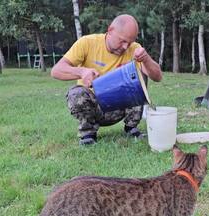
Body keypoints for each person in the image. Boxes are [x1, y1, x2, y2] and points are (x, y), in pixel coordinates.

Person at [51, 14, 162, 145]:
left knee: (139, 77)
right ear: (110, 30)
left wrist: (146, 59)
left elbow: (158, 77)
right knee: (76, 93)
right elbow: (56, 70)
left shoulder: (134, 49)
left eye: (130, 42)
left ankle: (131, 127)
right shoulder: (87, 42)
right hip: (94, 108)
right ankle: (88, 134)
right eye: (122, 41)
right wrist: (81, 71)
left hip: (119, 108)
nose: (126, 47)